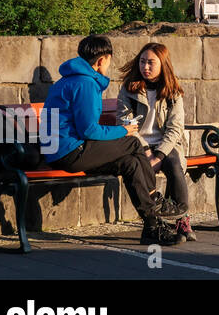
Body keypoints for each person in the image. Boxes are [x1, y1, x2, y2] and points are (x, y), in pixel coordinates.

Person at [42, 36, 186, 245]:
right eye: (109, 60)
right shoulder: (85, 84)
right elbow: (89, 130)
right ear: (102, 60)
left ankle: (152, 227)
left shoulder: (71, 79)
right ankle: (154, 198)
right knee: (134, 143)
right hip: (69, 152)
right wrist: (123, 131)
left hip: (60, 149)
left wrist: (119, 131)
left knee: (130, 164)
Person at [115, 43, 195, 244]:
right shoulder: (129, 89)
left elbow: (175, 128)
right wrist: (146, 151)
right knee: (139, 168)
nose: (146, 67)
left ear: (163, 64)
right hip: (137, 145)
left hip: (166, 146)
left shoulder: (173, 91)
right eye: (142, 62)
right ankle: (155, 223)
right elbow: (126, 124)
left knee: (175, 164)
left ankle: (181, 219)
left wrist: (159, 154)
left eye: (151, 62)